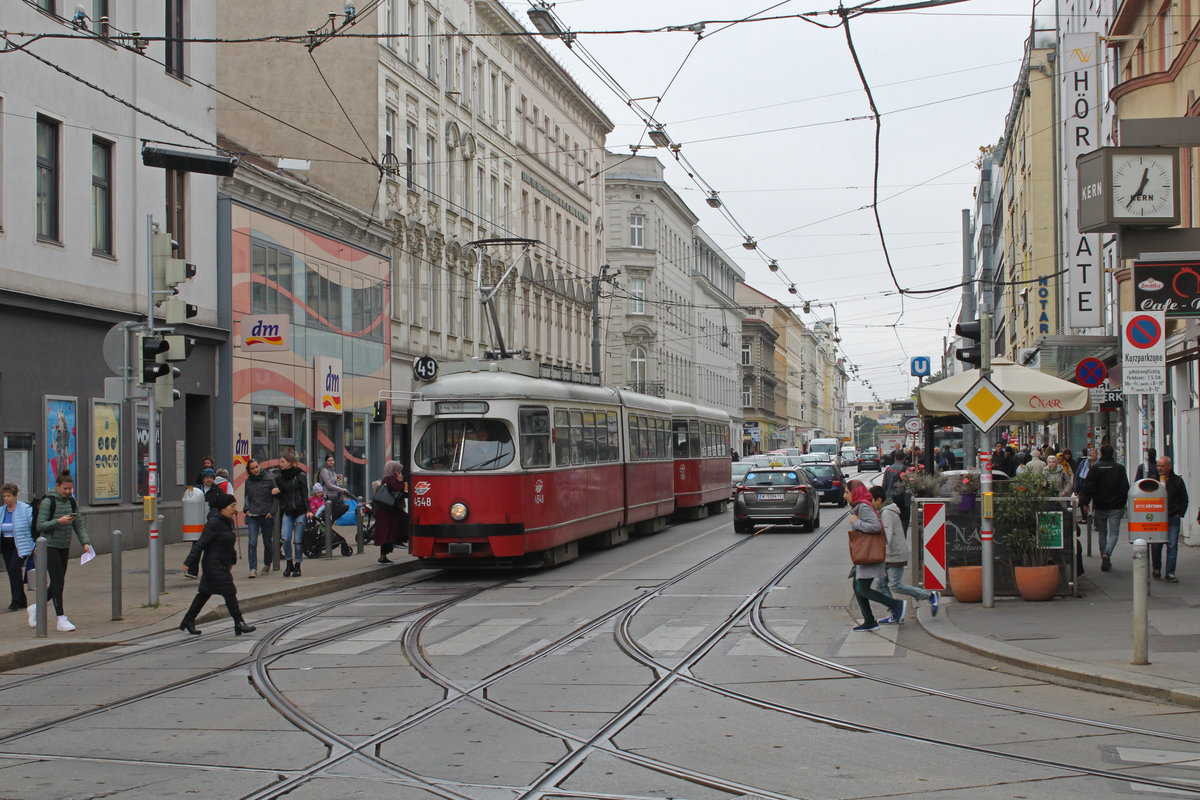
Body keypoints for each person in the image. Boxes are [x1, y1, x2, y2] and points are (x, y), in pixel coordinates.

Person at [179, 493, 256, 636]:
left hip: (222, 563)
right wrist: (188, 563)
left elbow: (229, 544)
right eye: (232, 506)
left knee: (204, 593)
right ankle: (239, 622)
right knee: (229, 591)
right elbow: (200, 543)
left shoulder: (228, 522)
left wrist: (232, 560)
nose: (235, 510)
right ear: (222, 508)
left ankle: (188, 620)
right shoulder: (214, 523)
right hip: (212, 564)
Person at [32, 472, 94, 632]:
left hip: (63, 546)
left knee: (58, 582)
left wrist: (85, 543)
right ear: (58, 486)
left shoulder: (72, 502)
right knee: (58, 582)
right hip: (49, 546)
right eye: (65, 488)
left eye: (70, 489)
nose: (68, 492)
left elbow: (78, 524)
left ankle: (36, 607)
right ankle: (61, 618)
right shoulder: (48, 501)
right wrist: (58, 522)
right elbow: (41, 525)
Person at [869, 485, 938, 621]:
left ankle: (930, 596)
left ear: (879, 500)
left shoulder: (887, 513)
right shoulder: (884, 511)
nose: (870, 504)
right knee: (881, 584)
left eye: (871, 500)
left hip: (895, 554)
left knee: (895, 585)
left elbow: (886, 535)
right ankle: (895, 611)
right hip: (888, 555)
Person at [846, 480, 904, 632]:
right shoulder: (859, 506)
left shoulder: (864, 507)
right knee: (857, 586)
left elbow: (876, 527)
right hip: (864, 553)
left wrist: (857, 522)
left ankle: (895, 605)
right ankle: (869, 620)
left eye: (847, 492)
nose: (845, 496)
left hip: (869, 553)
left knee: (863, 589)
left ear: (855, 493)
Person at [1078, 444, 1130, 573]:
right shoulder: (1119, 468)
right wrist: (1122, 503)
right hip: (1116, 505)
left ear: (1101, 453)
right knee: (1114, 533)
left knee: (1102, 533)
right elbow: (1125, 488)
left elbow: (1089, 487)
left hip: (1100, 505)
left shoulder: (1096, 468)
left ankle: (1104, 556)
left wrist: (1085, 502)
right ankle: (1107, 553)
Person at [275, 452, 312, 578]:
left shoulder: (300, 475)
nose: (280, 464)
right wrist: (276, 493)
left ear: (290, 462)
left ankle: (297, 565)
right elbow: (281, 496)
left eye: (282, 462)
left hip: (300, 511)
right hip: (288, 511)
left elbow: (304, 494)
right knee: (285, 538)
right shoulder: (280, 478)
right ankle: (289, 563)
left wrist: (308, 510)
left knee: (297, 540)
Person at [1, 483, 35, 611]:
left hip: (21, 544)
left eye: (9, 496)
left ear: (15, 496)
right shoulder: (2, 511)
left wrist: (35, 545)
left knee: (14, 567)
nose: (6, 499)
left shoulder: (25, 509)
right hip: (6, 544)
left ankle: (16, 601)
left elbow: (33, 527)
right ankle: (21, 599)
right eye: (4, 496)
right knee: (12, 571)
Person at [242, 459, 278, 578]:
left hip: (266, 515)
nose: (255, 470)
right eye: (252, 468)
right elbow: (246, 496)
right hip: (253, 515)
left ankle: (267, 564)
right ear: (249, 470)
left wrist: (272, 512)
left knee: (267, 542)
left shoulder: (268, 479)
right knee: (252, 542)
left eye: (256, 467)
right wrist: (246, 509)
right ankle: (253, 568)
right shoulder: (248, 481)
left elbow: (275, 497)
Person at [1154, 455, 1186, 582]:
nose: (1160, 468)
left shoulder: (1177, 481)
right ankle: (1156, 567)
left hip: (1173, 517)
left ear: (1169, 467)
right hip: (1157, 518)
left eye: (1162, 466)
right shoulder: (1153, 480)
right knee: (1156, 545)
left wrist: (1180, 513)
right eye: (1158, 466)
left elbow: (1184, 499)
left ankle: (1170, 572)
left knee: (1172, 545)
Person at [373, 461, 408, 563]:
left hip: (385, 510)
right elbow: (398, 488)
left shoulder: (385, 479)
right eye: (397, 470)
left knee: (386, 533)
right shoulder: (391, 479)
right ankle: (398, 541)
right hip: (389, 511)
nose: (399, 472)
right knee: (403, 522)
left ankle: (383, 556)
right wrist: (401, 480)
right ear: (393, 470)